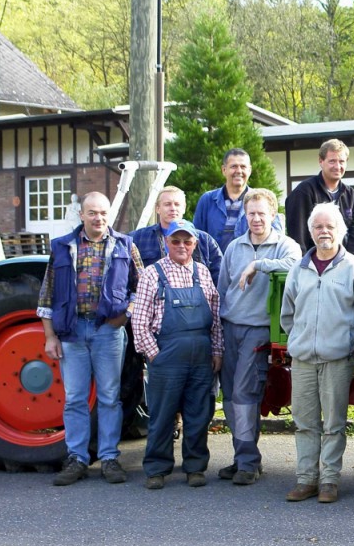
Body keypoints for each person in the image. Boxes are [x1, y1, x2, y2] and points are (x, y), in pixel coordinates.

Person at [37, 191, 144, 486]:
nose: (99, 218)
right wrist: (50, 337)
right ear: (81, 215)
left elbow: (143, 285)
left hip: (108, 331)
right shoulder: (62, 247)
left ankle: (109, 458)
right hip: (72, 332)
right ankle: (77, 459)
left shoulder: (125, 245)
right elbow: (47, 295)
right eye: (93, 213)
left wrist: (127, 314)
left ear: (110, 216)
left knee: (110, 397)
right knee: (74, 398)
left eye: (103, 213)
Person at [281, 203, 354, 503]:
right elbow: (288, 315)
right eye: (318, 227)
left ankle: (329, 481)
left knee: (334, 424)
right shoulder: (299, 269)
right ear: (310, 232)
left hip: (337, 360)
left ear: (341, 230)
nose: (324, 232)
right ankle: (306, 479)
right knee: (305, 422)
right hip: (302, 360)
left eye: (330, 227)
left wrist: (349, 343)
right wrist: (301, 339)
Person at [217, 188, 302, 485]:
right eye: (250, 213)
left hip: (258, 330)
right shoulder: (234, 247)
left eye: (261, 214)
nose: (255, 219)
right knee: (229, 396)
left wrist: (258, 265)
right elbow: (222, 289)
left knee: (244, 395)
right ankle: (243, 456)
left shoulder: (284, 245)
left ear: (272, 215)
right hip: (230, 327)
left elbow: (296, 267)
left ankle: (248, 462)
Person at [131, 219, 223, 490]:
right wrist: (154, 354)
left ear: (195, 244)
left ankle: (195, 468)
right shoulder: (152, 273)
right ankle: (157, 469)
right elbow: (139, 321)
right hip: (166, 358)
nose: (182, 246)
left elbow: (216, 317)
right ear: (166, 243)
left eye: (187, 241)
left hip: (201, 358)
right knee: (162, 416)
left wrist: (217, 350)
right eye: (176, 241)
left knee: (198, 414)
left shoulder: (203, 273)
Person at [284, 138, 354, 277]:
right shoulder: (304, 192)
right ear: (321, 161)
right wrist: (308, 263)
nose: (337, 166)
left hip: (347, 254)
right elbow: (297, 235)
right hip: (317, 255)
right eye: (332, 161)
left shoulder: (350, 195)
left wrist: (350, 261)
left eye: (341, 161)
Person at [131, 186, 222, 283]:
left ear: (184, 208)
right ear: (157, 208)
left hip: (195, 297)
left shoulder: (205, 241)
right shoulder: (138, 238)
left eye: (177, 204)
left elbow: (220, 278)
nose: (173, 208)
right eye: (167, 204)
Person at [193, 148, 255, 252]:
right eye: (233, 166)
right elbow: (196, 237)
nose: (239, 171)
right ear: (224, 170)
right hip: (213, 266)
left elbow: (274, 238)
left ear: (249, 170)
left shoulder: (260, 200)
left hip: (249, 266)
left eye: (243, 167)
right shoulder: (208, 200)